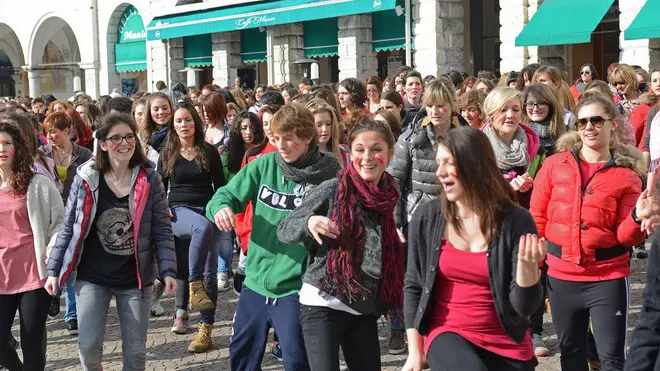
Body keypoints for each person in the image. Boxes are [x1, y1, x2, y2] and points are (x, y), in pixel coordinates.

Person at [206, 104, 341, 371]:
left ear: (307, 137)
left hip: (296, 287)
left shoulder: (329, 172)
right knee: (241, 354)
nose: (282, 145)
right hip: (255, 281)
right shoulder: (264, 165)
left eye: (290, 138)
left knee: (297, 358)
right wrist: (220, 208)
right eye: (277, 137)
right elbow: (225, 195)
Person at [402, 126, 545, 371]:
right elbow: (414, 285)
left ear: (475, 165)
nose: (440, 172)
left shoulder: (516, 221)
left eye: (449, 162)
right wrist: (415, 353)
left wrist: (527, 274)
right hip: (447, 331)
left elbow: (525, 308)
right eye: (439, 163)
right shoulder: (427, 217)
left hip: (507, 337)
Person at [44, 113, 177, 370]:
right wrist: (54, 270)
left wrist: (169, 270)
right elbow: (69, 228)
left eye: (129, 137)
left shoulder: (150, 178)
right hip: (93, 276)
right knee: (89, 348)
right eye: (115, 138)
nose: (124, 143)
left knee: (135, 353)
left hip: (135, 278)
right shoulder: (86, 178)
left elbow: (161, 228)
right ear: (102, 144)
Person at [530, 93, 649, 370]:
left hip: (607, 277)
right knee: (571, 354)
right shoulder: (553, 165)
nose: (589, 127)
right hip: (561, 276)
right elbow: (537, 217)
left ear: (613, 124)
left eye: (596, 120)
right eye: (582, 122)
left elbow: (626, 237)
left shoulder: (627, 175)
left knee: (611, 358)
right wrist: (536, 266)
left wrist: (635, 217)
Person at [278, 120, 404, 370]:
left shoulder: (389, 194)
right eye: (359, 149)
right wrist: (310, 222)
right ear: (351, 154)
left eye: (376, 149)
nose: (367, 157)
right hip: (322, 301)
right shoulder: (335, 188)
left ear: (390, 154)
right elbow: (285, 228)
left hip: (363, 308)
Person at [157, 99, 225, 352]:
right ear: (173, 126)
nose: (184, 125)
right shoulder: (168, 152)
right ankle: (194, 286)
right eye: (178, 121)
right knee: (201, 228)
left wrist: (220, 210)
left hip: (206, 209)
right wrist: (163, 207)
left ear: (195, 123)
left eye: (188, 120)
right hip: (179, 212)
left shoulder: (208, 152)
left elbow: (220, 188)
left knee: (211, 272)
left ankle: (205, 330)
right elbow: (158, 188)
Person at [0, 123, 64, 371]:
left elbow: (59, 223)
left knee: (32, 342)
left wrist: (52, 257)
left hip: (34, 274)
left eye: (7, 143)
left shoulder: (37, 183)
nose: (2, 148)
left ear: (17, 147)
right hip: (2, 275)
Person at [482, 87, 545, 210]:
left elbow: (544, 195)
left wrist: (530, 188)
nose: (510, 115)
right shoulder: (476, 148)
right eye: (503, 110)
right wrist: (507, 189)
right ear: (490, 114)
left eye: (515, 109)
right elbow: (471, 195)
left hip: (524, 222)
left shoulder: (537, 151)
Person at [522, 83, 566, 157]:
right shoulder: (518, 135)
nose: (535, 109)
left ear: (551, 106)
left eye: (541, 103)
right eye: (530, 103)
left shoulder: (566, 135)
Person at [307, 98, 348, 167]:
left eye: (328, 124)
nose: (325, 129)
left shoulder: (344, 153)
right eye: (319, 125)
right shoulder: (301, 157)